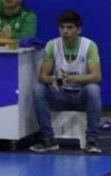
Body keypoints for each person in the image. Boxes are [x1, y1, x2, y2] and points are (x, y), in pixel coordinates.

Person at [29, 10, 103, 154]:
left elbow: (96, 76)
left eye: (70, 28)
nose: (65, 31)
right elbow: (42, 76)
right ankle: (48, 139)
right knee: (39, 90)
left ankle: (92, 141)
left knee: (94, 89)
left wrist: (73, 78)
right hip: (60, 95)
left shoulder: (89, 46)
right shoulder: (52, 45)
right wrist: (55, 79)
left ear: (79, 30)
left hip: (80, 96)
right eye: (62, 28)